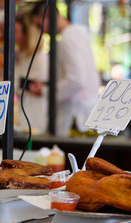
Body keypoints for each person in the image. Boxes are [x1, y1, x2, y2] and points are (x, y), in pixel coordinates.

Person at [30, 1, 101, 136]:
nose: (41, 30)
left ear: (48, 16)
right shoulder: (76, 36)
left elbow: (76, 81)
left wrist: (45, 91)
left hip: (76, 119)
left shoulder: (68, 39)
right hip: (84, 114)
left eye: (39, 25)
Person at [14, 14, 49, 133]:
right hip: (26, 115)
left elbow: (22, 86)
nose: (12, 35)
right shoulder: (22, 57)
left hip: (37, 116)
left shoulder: (39, 57)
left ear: (27, 33)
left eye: (16, 31)